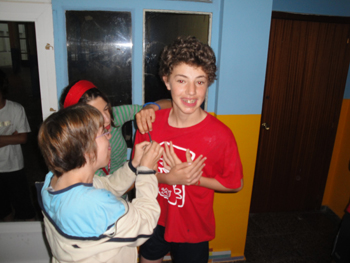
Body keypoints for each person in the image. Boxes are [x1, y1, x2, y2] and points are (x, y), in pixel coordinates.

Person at [134, 36, 244, 263]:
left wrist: (195, 180)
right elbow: (136, 173)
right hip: (154, 217)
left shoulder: (220, 135)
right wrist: (170, 178)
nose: (191, 92)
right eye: (182, 81)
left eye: (200, 81)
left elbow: (234, 184)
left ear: (208, 83)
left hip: (193, 226)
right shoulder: (149, 124)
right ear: (167, 81)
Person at [36, 104, 163, 263]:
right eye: (103, 132)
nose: (109, 136)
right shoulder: (95, 205)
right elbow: (145, 222)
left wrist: (134, 164)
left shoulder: (54, 179)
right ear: (86, 148)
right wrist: (146, 171)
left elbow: (107, 186)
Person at [59, 80, 171, 177]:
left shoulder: (115, 115)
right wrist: (150, 172)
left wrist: (151, 107)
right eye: (96, 115)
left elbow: (170, 103)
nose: (107, 119)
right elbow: (109, 189)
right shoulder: (78, 152)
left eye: (106, 108)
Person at [0, 69, 36, 221]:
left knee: (25, 209)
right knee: (2, 210)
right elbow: (18, 137)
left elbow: (23, 138)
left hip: (14, 167)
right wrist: (11, 137)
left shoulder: (15, 109)